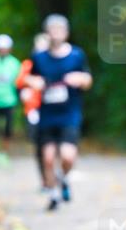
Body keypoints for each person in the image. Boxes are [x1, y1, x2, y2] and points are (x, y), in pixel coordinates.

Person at [25, 15, 92, 211]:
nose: (56, 33)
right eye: (52, 30)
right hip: (47, 114)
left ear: (66, 32)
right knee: (47, 157)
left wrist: (80, 78)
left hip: (69, 112)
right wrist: (34, 83)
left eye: (59, 29)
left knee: (67, 156)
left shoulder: (77, 55)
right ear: (47, 33)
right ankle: (53, 193)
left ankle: (63, 179)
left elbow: (88, 80)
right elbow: (27, 78)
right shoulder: (39, 57)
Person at [17, 32, 50, 188]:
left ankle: (56, 176)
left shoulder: (58, 62)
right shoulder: (28, 65)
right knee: (40, 146)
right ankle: (44, 179)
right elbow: (19, 83)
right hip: (34, 110)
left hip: (55, 111)